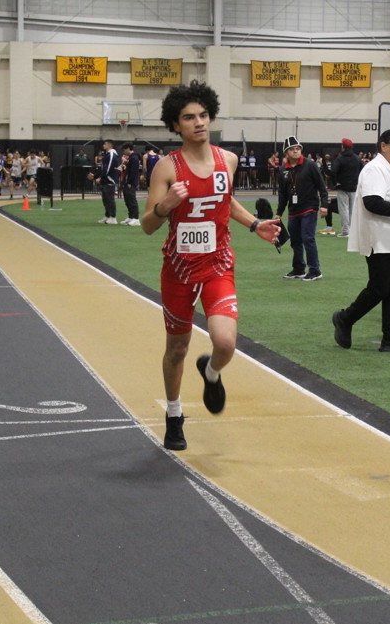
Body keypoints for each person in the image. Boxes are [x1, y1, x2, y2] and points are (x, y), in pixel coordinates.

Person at [141, 80, 280, 451]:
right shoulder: (166, 168)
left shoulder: (227, 160)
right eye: (189, 117)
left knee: (225, 341)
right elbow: (147, 225)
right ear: (176, 125)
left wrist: (254, 224)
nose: (199, 122)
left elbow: (224, 200)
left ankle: (212, 371)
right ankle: (174, 415)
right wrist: (166, 205)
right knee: (177, 349)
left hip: (218, 265)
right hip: (179, 271)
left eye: (203, 115)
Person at [331, 128, 390, 353]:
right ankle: (345, 318)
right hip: (381, 240)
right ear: (383, 145)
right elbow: (372, 203)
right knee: (379, 289)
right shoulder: (374, 169)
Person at [277, 136, 328, 281]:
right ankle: (298, 268)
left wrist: (324, 205)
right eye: (292, 149)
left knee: (308, 238)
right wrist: (279, 213)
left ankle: (315, 270)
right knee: (295, 241)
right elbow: (282, 194)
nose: (296, 151)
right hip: (293, 210)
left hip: (309, 207)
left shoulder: (310, 165)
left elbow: (322, 186)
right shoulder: (283, 170)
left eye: (298, 148)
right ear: (286, 153)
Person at [330, 138, 361, 238]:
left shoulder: (340, 158)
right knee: (353, 210)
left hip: (342, 187)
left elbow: (333, 172)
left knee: (343, 209)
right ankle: (352, 230)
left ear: (343, 146)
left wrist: (336, 183)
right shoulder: (357, 158)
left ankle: (345, 231)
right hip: (354, 187)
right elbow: (362, 171)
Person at [93, 139, 120, 224]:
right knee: (105, 199)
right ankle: (108, 215)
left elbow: (108, 168)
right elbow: (103, 168)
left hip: (110, 180)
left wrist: (100, 177)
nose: (103, 145)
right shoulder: (107, 155)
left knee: (110, 199)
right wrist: (95, 176)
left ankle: (113, 217)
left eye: (105, 144)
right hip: (105, 180)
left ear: (109, 145)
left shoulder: (111, 154)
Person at [119, 143, 141, 225]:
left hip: (130, 183)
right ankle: (131, 217)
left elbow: (133, 172)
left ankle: (136, 218)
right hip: (127, 181)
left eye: (124, 150)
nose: (124, 152)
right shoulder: (130, 158)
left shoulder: (134, 158)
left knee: (132, 200)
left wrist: (129, 182)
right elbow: (127, 170)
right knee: (127, 200)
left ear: (128, 148)